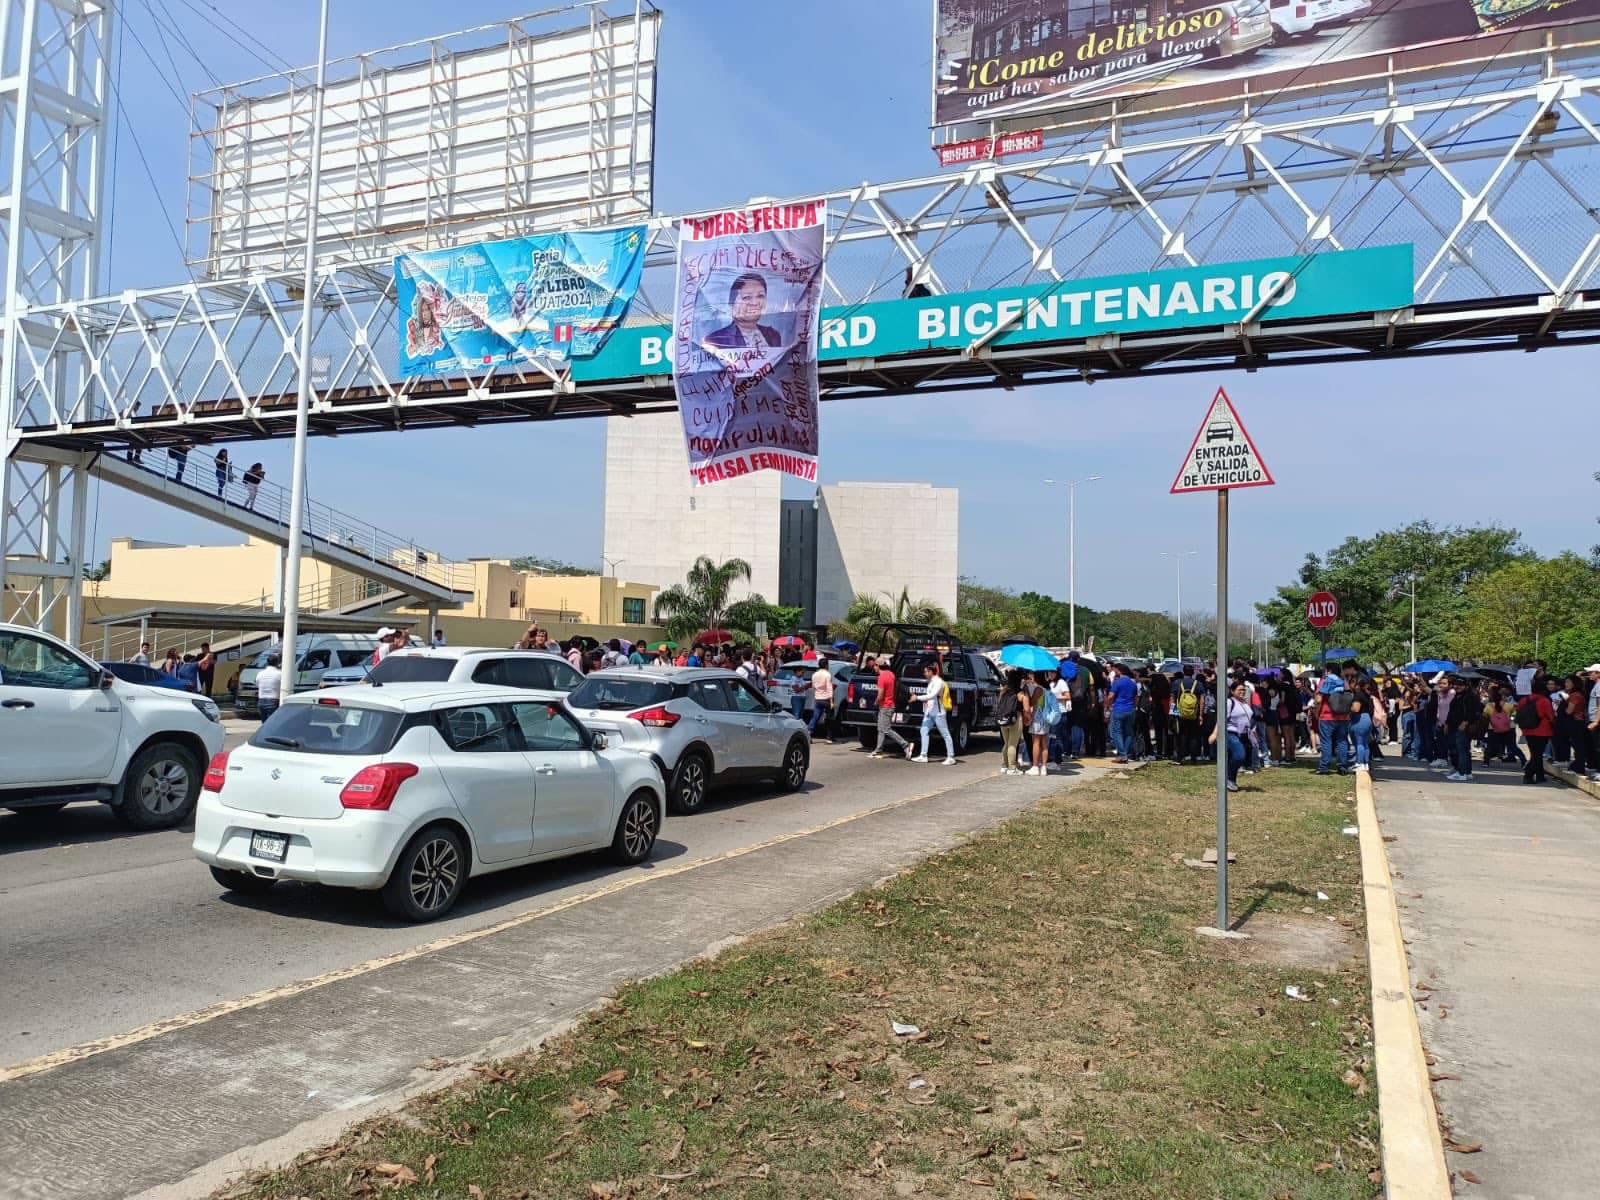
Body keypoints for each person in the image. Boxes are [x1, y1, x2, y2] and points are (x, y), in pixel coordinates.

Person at [705, 273, 782, 349]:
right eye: (747, 297)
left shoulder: (773, 335)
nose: (755, 303)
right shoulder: (716, 340)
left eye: (760, 296)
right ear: (731, 303)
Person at [1209, 679, 1253, 793]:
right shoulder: (1229, 702)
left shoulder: (1245, 703)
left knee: (1238, 758)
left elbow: (1248, 719)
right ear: (1232, 691)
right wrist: (1215, 733)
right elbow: (1221, 718)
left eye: (1244, 690)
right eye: (1239, 690)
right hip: (1230, 733)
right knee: (1239, 755)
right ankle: (1227, 777)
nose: (1242, 692)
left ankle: (1231, 781)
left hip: (1244, 734)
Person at [869, 655, 913, 760]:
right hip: (890, 704)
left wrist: (876, 702)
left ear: (878, 666)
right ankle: (878, 749)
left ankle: (905, 745)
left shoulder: (881, 677)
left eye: (875, 665)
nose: (874, 667)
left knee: (886, 729)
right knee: (880, 728)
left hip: (886, 705)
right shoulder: (891, 674)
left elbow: (881, 694)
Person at [914, 662, 957, 765]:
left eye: (925, 672)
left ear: (930, 672)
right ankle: (923, 755)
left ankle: (951, 757)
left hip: (939, 713)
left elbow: (932, 696)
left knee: (945, 734)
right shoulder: (931, 682)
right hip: (930, 712)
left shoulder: (939, 682)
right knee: (923, 731)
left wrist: (917, 697)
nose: (924, 673)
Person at [1444, 673, 1483, 782]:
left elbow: (1473, 711)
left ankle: (1463, 773)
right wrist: (1447, 723)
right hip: (1454, 726)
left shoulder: (1471, 697)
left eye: (1460, 685)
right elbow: (1451, 712)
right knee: (1459, 749)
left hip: (1464, 727)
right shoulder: (1456, 696)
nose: (1457, 687)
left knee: (1462, 750)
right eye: (1456, 685)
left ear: (1466, 686)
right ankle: (1465, 771)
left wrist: (1465, 722)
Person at [1314, 669, 1352, 775]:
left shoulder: (1325, 681)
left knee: (1326, 742)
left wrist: (1316, 712)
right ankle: (1342, 766)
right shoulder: (1344, 681)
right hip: (1343, 717)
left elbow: (1318, 700)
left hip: (1327, 716)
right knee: (1342, 741)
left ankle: (1324, 767)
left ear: (1328, 670)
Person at [1515, 684, 1554, 784]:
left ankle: (1540, 775)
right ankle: (1528, 775)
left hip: (1527, 730)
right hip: (1542, 731)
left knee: (1535, 753)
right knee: (1537, 755)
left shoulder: (1523, 700)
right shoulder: (1544, 701)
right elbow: (1551, 716)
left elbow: (1518, 712)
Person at [1022, 671, 1055, 776]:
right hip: (1045, 718)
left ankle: (1035, 766)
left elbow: (1031, 702)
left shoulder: (1038, 689)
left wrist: (1027, 692)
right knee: (1044, 744)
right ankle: (1044, 767)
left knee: (1036, 743)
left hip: (1037, 717)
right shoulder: (1046, 689)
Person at [1107, 663, 1137, 764]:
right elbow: (1135, 698)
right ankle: (1125, 753)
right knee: (1129, 732)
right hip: (1130, 709)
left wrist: (1108, 705)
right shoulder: (1133, 683)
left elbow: (1111, 696)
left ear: (1119, 671)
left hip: (1119, 709)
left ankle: (1122, 754)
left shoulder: (1118, 682)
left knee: (1116, 732)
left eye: (1115, 670)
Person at [995, 669, 1024, 774]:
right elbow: (1024, 704)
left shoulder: (1004, 691)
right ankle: (1012, 768)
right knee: (1013, 744)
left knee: (1006, 744)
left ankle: (1004, 766)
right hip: (1015, 719)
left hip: (1003, 719)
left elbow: (999, 703)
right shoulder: (1019, 692)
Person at [1173, 665, 1205, 763]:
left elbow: (1172, 699)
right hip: (1194, 713)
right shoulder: (1198, 684)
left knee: (1181, 735)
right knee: (1194, 736)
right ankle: (1193, 757)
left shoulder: (1177, 683)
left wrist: (1174, 713)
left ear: (1183, 672)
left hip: (1180, 713)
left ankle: (1180, 756)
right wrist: (1200, 715)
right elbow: (1202, 700)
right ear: (1193, 673)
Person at [809, 655, 836, 743]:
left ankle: (809, 732)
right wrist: (831, 701)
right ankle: (829, 737)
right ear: (826, 665)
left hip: (818, 698)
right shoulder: (827, 674)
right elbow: (829, 688)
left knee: (815, 716)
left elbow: (813, 686)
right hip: (826, 699)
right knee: (829, 717)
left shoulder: (814, 674)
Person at [255, 652, 282, 722]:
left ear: (267, 662)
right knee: (272, 724)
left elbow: (257, 684)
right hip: (274, 701)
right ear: (278, 663)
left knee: (265, 725)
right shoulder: (280, 674)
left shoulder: (260, 674)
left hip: (261, 701)